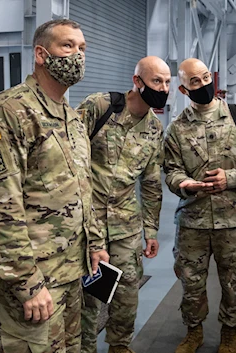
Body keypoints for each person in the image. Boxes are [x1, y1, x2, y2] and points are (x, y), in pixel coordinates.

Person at [0, 19, 109, 352]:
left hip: (72, 271)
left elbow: (81, 189)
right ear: (41, 54)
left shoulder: (71, 118)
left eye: (83, 48)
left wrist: (95, 244)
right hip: (35, 278)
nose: (78, 54)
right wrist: (27, 283)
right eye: (68, 46)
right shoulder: (6, 113)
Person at [163, 58, 236, 353]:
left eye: (206, 77)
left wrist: (232, 177)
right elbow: (170, 169)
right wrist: (183, 184)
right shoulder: (177, 128)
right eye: (194, 82)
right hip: (193, 221)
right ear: (184, 89)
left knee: (233, 282)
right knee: (190, 282)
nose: (203, 85)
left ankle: (229, 333)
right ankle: (193, 331)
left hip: (233, 220)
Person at [77, 56, 168, 353]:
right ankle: (85, 348)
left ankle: (119, 346)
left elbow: (152, 183)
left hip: (126, 226)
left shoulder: (155, 129)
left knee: (127, 293)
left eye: (168, 82)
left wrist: (151, 231)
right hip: (87, 224)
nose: (163, 88)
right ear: (137, 81)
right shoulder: (100, 107)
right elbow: (69, 157)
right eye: (157, 81)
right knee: (88, 296)